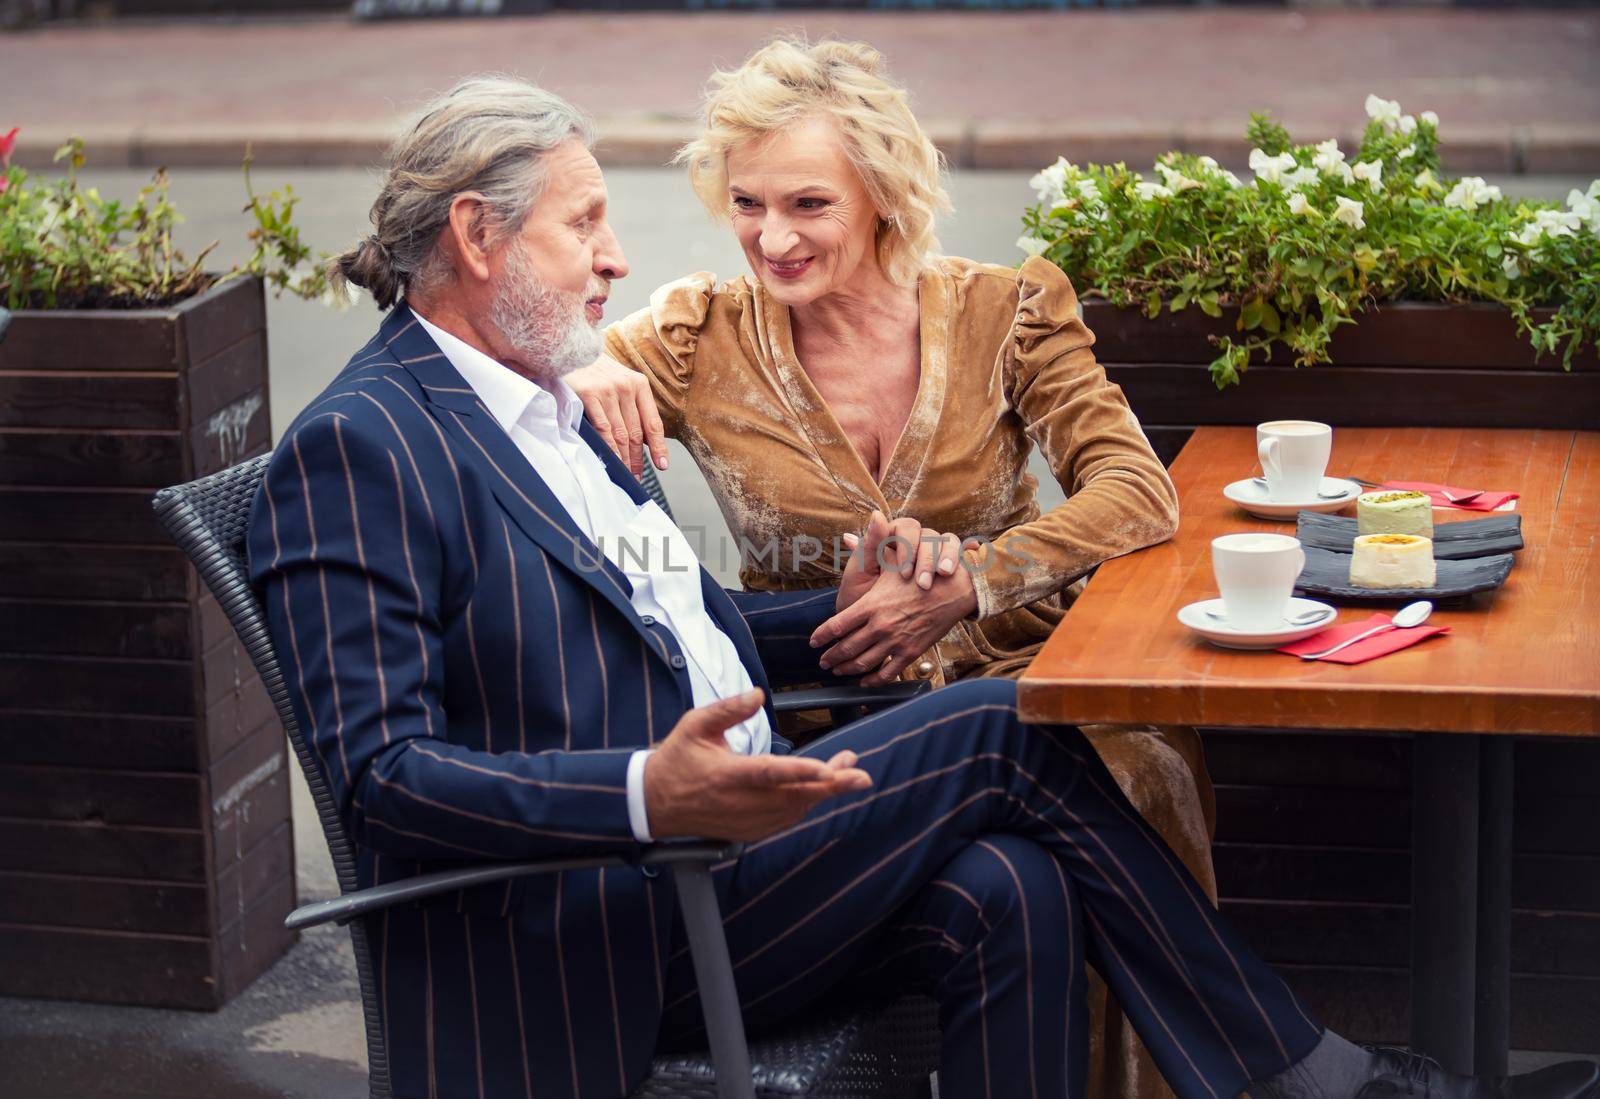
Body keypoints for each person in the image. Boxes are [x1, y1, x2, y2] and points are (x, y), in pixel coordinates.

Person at [251, 75, 1599, 1099]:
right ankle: (1316, 1078)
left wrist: (846, 605)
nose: (615, 256)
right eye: (586, 224)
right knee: (1017, 721)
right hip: (608, 912)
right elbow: (380, 779)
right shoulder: (364, 445)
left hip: (737, 853)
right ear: (479, 236)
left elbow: (685, 632)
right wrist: (640, 792)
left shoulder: (551, 407)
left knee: (1011, 882)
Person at [569, 38, 1212, 1096]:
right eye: (747, 203)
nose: (770, 239)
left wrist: (975, 580)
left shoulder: (1008, 312)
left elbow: (1138, 493)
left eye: (809, 205)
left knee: (1124, 776)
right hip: (828, 720)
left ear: (882, 195)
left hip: (1027, 685)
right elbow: (528, 412)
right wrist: (582, 360)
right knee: (1010, 870)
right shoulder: (697, 336)